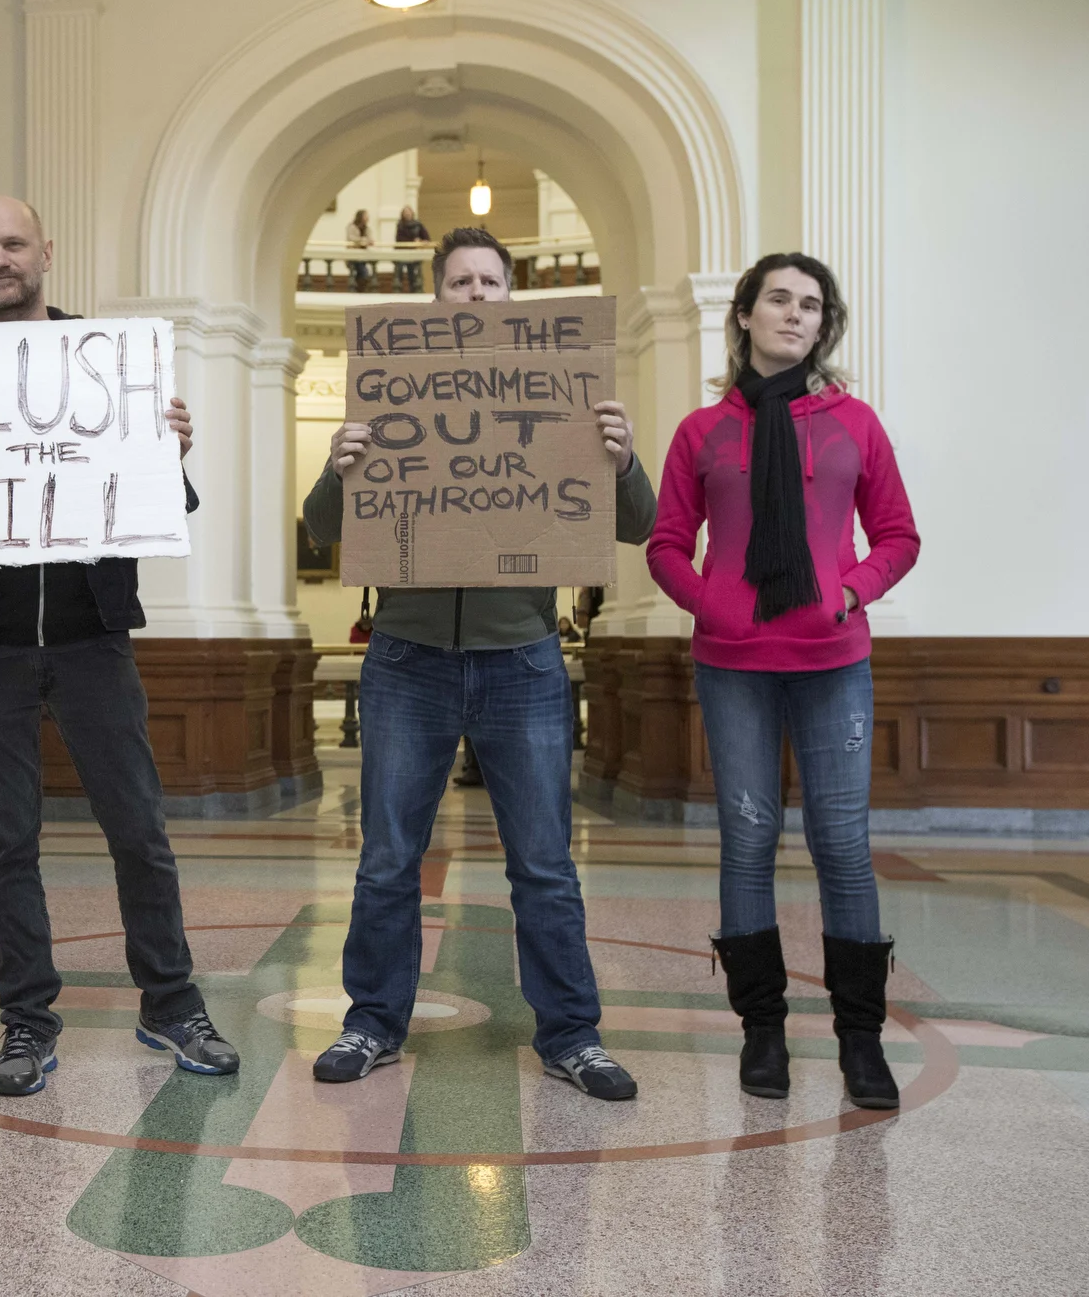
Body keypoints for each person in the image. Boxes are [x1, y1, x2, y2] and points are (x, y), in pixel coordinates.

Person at [0, 195, 239, 1097]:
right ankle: (27, 1023)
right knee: (7, 842)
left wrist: (168, 454)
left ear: (47, 250)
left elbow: (159, 505)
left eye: (12, 243)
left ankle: (170, 1002)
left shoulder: (113, 369)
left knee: (139, 830)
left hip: (91, 638)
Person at [302, 228, 656, 1099]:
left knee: (543, 861)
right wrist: (340, 465)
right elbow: (320, 527)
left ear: (512, 294)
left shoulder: (563, 395)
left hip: (523, 660)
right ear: (435, 301)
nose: (473, 292)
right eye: (457, 281)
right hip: (406, 659)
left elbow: (638, 525)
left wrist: (621, 456)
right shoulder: (388, 402)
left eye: (489, 281)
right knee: (389, 856)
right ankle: (371, 1022)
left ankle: (573, 1034)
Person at [647, 253, 919, 1110]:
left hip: (833, 660)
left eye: (811, 305)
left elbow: (899, 536)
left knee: (841, 845)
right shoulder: (702, 431)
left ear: (821, 324)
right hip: (733, 664)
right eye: (779, 300)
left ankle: (860, 1040)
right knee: (749, 837)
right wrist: (712, 605)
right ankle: (761, 1030)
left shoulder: (854, 423)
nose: (795, 315)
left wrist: (850, 590)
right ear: (746, 316)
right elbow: (664, 543)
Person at [394, 205, 431, 293]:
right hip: (403, 252)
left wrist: (421, 241)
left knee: (412, 273)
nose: (407, 214)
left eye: (408, 212)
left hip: (413, 253)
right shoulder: (400, 225)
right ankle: (399, 291)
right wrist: (413, 241)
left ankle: (414, 290)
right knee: (399, 272)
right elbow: (399, 239)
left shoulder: (418, 224)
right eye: (405, 213)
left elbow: (426, 237)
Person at [346, 208, 375, 291]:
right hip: (354, 256)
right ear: (361, 217)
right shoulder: (352, 227)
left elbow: (370, 239)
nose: (367, 218)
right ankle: (357, 290)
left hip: (363, 257)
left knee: (363, 274)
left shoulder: (367, 229)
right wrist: (364, 241)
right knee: (362, 273)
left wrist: (367, 241)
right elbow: (352, 239)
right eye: (366, 216)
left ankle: (359, 290)